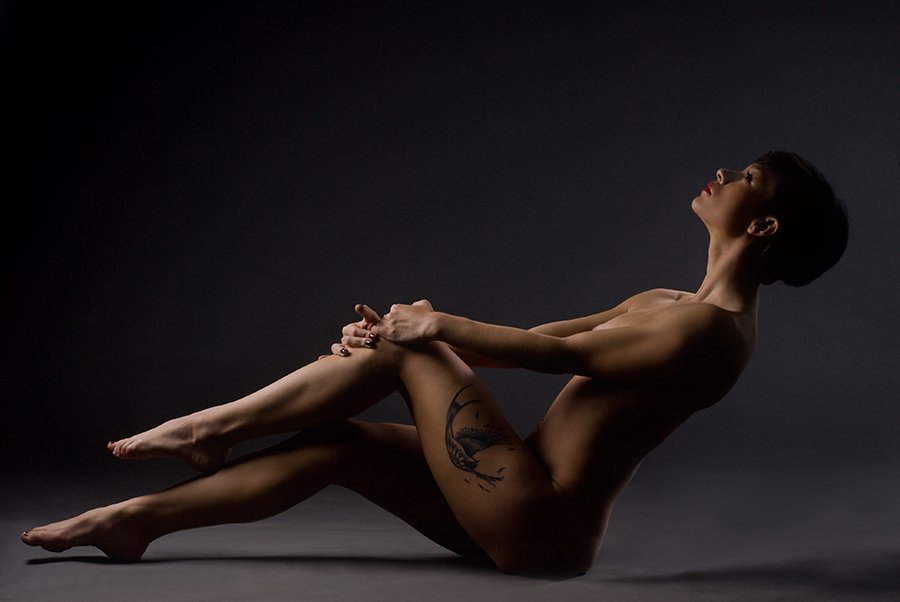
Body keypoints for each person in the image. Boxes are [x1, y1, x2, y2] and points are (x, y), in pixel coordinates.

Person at [21, 151, 848, 574]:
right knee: (337, 443)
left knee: (410, 350)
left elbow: (554, 354)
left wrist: (427, 332)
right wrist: (399, 336)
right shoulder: (667, 301)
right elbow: (531, 333)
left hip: (541, 521)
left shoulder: (713, 332)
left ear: (763, 227)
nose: (722, 174)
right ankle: (136, 523)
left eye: (745, 177)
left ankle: (209, 430)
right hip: (509, 494)